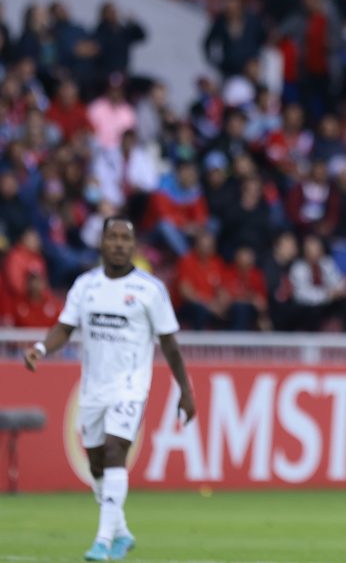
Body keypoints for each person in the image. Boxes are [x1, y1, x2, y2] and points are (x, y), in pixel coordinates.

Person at [23, 217, 195, 561]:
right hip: (93, 389)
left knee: (116, 450)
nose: (118, 244)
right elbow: (64, 327)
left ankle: (102, 541)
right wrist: (41, 349)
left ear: (134, 247)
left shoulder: (150, 290)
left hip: (131, 387)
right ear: (101, 243)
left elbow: (170, 346)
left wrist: (185, 390)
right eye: (112, 237)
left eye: (125, 239)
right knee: (97, 464)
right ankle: (121, 532)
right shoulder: (85, 286)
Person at [289, 235, 346, 332]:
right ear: (305, 251)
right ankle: (312, 340)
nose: (315, 252)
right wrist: (326, 295)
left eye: (317, 248)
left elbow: (339, 281)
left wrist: (337, 291)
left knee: (344, 302)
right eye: (311, 249)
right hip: (306, 306)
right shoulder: (298, 268)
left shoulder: (327, 262)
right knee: (313, 309)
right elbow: (302, 294)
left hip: (326, 301)